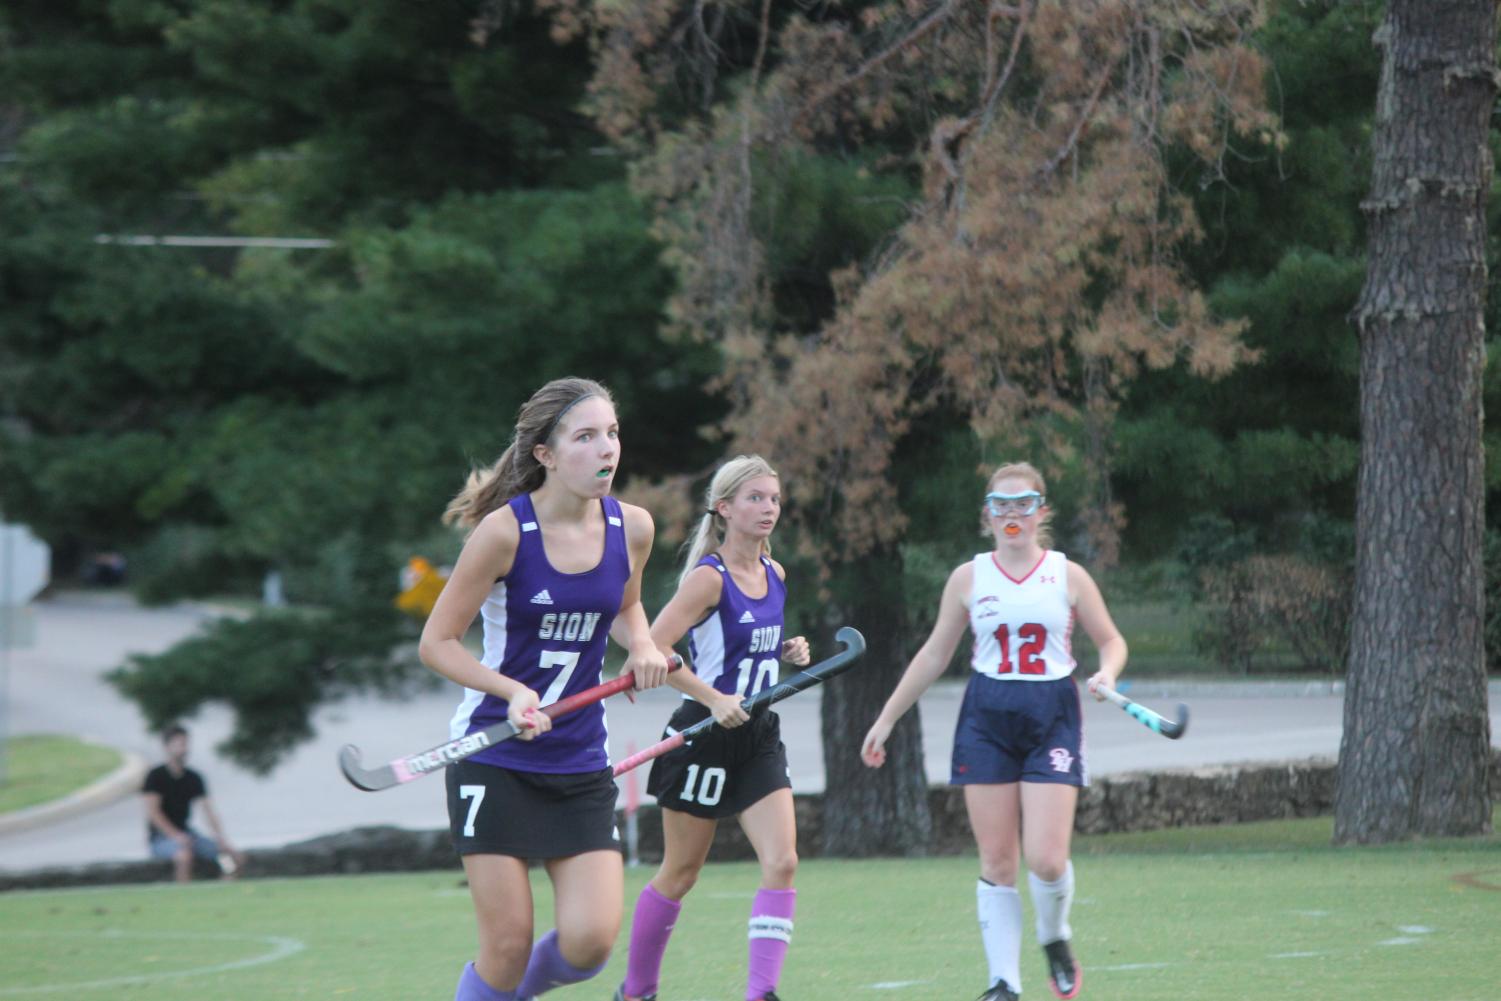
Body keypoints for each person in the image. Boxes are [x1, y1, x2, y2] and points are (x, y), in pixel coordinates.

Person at [419, 377, 671, 1001]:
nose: (606, 448)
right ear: (546, 455)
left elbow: (626, 606)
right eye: (585, 436)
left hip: (580, 758)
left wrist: (639, 644)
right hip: (494, 753)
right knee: (504, 946)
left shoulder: (633, 528)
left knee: (589, 944)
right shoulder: (505, 533)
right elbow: (438, 643)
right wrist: (510, 692)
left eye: (611, 433)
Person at [860, 461, 1127, 1001]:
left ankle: (1055, 936)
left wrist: (1108, 672)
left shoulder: (1067, 575)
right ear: (987, 513)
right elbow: (935, 653)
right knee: (998, 860)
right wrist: (886, 719)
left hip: (1052, 711)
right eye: (1001, 505)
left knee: (1047, 859)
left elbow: (1112, 641)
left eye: (1023, 503)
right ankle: (1003, 983)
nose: (1012, 515)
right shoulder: (969, 577)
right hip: (987, 714)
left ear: (1040, 512)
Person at [616, 455, 811, 1001]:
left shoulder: (775, 573)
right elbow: (652, 650)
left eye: (773, 497)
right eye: (754, 498)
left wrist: (789, 649)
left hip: (758, 736)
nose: (768, 507)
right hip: (702, 734)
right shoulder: (708, 578)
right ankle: (636, 990)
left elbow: (750, 646)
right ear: (724, 509)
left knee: (783, 860)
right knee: (681, 874)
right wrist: (712, 698)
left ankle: (760, 992)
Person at [141, 724, 245, 883]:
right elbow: (153, 812)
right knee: (184, 857)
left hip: (188, 834)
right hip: (162, 838)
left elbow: (208, 811)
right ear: (167, 747)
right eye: (179, 744)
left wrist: (221, 839)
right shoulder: (155, 776)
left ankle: (226, 883)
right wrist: (175, 836)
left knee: (230, 858)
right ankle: (183, 893)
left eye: (186, 743)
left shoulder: (193, 778)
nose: (184, 748)